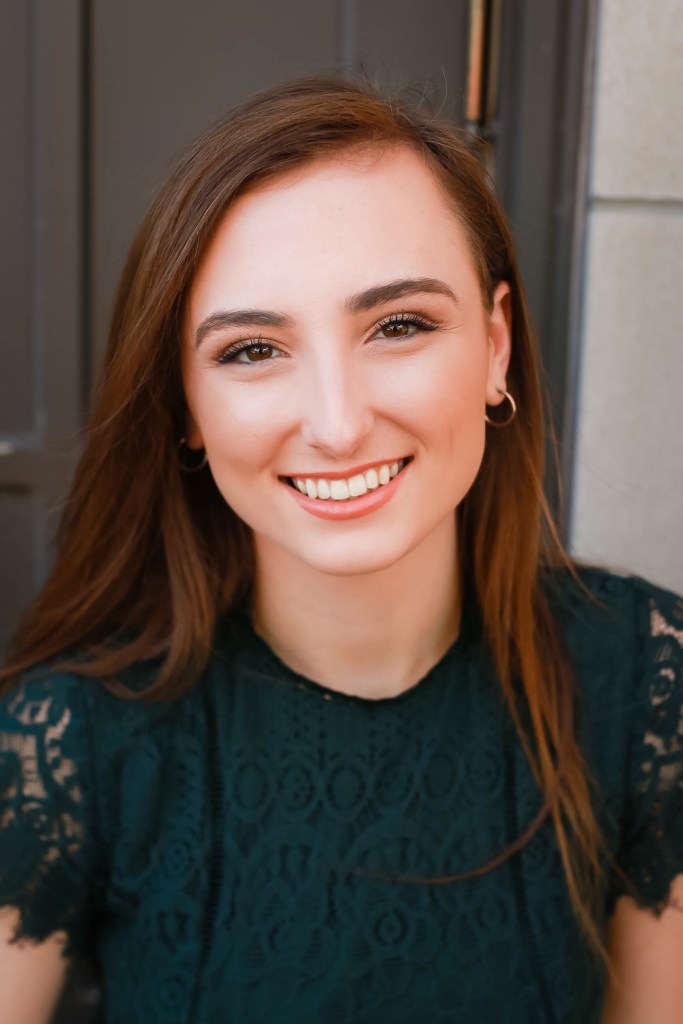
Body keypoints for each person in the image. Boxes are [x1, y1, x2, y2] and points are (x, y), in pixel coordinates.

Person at [0, 75, 681, 1024]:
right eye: (251, 349)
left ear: (494, 346)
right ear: (185, 406)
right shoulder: (71, 732)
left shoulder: (647, 679)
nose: (336, 424)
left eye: (399, 326)